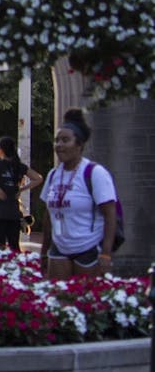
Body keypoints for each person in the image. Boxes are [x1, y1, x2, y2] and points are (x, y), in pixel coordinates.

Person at [39, 108, 117, 279]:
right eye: (57, 140)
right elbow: (48, 215)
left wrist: (106, 253)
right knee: (58, 299)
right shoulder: (53, 175)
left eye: (65, 140)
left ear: (79, 144)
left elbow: (110, 214)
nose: (59, 145)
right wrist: (44, 250)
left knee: (84, 300)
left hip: (88, 248)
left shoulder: (94, 173)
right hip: (59, 246)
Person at [0, 134, 42, 251]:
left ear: (1, 149)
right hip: (14, 211)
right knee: (14, 246)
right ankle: (16, 265)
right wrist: (21, 188)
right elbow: (38, 178)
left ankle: (1, 265)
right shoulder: (19, 166)